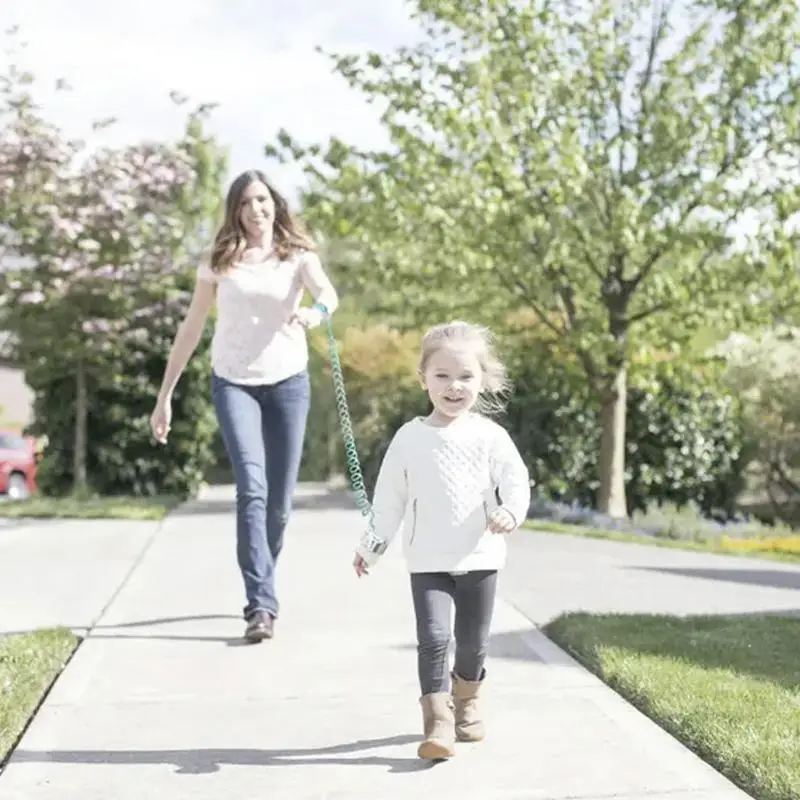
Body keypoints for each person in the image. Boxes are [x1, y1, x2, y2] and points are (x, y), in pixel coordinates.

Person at [150, 169, 339, 643]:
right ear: (235, 210)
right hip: (233, 383)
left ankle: (263, 576)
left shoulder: (296, 255)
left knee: (278, 505)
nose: (255, 210)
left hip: (288, 384)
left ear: (275, 204)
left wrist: (314, 315)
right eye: (246, 203)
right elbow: (192, 326)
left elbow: (328, 294)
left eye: (262, 200)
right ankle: (260, 605)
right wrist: (165, 394)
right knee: (251, 490)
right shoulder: (219, 260)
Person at [352, 320, 530, 761]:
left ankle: (467, 702)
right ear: (423, 379)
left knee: (472, 642)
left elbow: (517, 480)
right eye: (443, 376)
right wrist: (371, 547)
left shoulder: (491, 436)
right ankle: (438, 723)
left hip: (481, 556)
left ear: (482, 380)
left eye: (466, 377)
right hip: (428, 558)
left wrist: (510, 510)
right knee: (433, 637)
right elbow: (389, 500)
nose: (455, 386)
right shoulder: (409, 438)